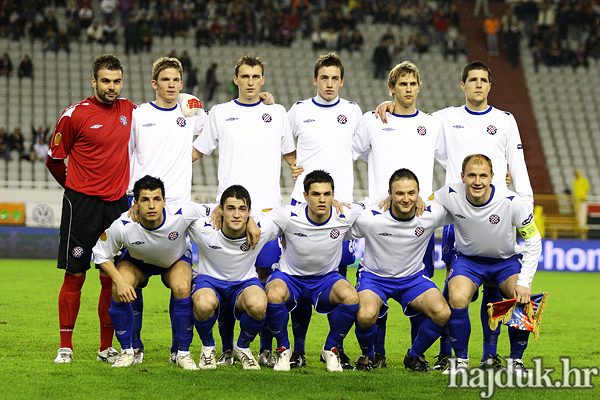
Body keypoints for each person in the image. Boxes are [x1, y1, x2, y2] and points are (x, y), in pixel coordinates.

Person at [376, 61, 534, 371]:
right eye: (472, 80)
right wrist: (390, 105)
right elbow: (411, 123)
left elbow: (518, 162)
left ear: (490, 85)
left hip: (499, 213)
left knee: (499, 294)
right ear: (462, 85)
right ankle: (449, 356)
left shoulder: (505, 120)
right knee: (455, 292)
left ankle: (492, 355)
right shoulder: (445, 119)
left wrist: (525, 203)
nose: (478, 85)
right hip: (458, 216)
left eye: (483, 80)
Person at [192, 54, 296, 366]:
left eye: (256, 76)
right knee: (225, 279)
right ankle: (226, 348)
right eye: (244, 76)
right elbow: (195, 152)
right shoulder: (221, 113)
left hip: (265, 212)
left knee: (262, 283)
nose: (250, 82)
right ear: (235, 80)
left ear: (262, 80)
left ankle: (260, 348)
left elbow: (293, 159)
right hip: (230, 213)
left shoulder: (276, 113)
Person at [353, 61, 446, 367]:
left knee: (421, 293)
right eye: (401, 84)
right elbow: (350, 153)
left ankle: (414, 354)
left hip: (418, 217)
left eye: (412, 84)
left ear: (419, 87)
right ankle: (375, 354)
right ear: (391, 88)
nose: (408, 89)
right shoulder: (373, 120)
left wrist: (427, 199)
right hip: (381, 218)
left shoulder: (432, 125)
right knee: (374, 296)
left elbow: (453, 162)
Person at [47, 54, 136, 364]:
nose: (111, 87)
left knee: (111, 278)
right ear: (94, 81)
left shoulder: (130, 110)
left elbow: (166, 112)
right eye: (106, 81)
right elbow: (55, 161)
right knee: (75, 275)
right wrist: (74, 188)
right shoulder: (74, 115)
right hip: (81, 205)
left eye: (117, 81)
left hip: (117, 206)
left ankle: (105, 348)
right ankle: (65, 347)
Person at [128, 56, 208, 364]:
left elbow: (223, 124)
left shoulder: (192, 112)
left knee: (181, 284)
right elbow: (128, 153)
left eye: (176, 80)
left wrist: (265, 100)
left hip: (176, 211)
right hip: (141, 209)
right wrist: (130, 198)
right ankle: (133, 347)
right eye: (166, 80)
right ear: (154, 84)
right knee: (130, 279)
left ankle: (179, 351)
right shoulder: (138, 115)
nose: (172, 85)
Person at [286, 52, 364, 369]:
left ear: (341, 81)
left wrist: (386, 107)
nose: (329, 83)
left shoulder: (353, 111)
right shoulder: (299, 110)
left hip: (340, 210)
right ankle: (300, 349)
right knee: (302, 278)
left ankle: (335, 347)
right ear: (315, 80)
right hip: (302, 208)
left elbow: (368, 141)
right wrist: (293, 165)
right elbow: (277, 139)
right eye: (324, 78)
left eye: (335, 78)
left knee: (338, 281)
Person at [432, 154, 541, 376]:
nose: (477, 181)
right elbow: (423, 206)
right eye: (471, 175)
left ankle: (515, 361)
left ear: (493, 177)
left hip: (505, 261)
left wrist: (524, 281)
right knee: (457, 297)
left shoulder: (511, 201)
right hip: (468, 261)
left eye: (483, 176)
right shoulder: (449, 194)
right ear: (462, 177)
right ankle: (460, 361)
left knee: (523, 298)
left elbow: (533, 239)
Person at [92, 176, 209, 369]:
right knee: (118, 288)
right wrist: (119, 280)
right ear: (135, 203)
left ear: (164, 201)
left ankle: (182, 352)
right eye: (145, 200)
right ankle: (128, 351)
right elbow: (100, 253)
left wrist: (249, 222)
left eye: (156, 199)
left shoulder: (182, 212)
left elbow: (219, 208)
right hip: (139, 261)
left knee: (182, 287)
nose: (152, 205)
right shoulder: (124, 224)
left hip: (174, 259)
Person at [351, 169, 452, 371]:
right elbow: (338, 217)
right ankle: (368, 355)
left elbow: (463, 203)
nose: (406, 199)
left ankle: (414, 356)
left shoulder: (430, 215)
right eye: (399, 194)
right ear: (390, 194)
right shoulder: (371, 218)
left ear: (418, 193)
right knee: (365, 315)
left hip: (412, 279)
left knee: (442, 312)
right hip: (374, 278)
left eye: (411, 193)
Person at [263, 170, 363, 372]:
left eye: (327, 194)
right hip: (290, 277)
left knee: (351, 297)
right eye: (316, 194)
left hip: (326, 279)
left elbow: (372, 209)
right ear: (305, 196)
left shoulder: (344, 214)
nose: (322, 199)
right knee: (272, 294)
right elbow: (257, 216)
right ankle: (284, 350)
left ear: (333, 196)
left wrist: (389, 199)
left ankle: (331, 349)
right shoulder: (288, 214)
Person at [188, 185, 278, 370]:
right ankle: (208, 347)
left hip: (244, 282)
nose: (236, 215)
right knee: (203, 303)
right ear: (220, 210)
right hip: (209, 280)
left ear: (249, 212)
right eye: (230, 208)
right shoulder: (203, 229)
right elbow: (176, 213)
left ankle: (242, 347)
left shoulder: (262, 229)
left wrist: (332, 205)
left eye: (242, 209)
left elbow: (290, 217)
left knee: (259, 304)